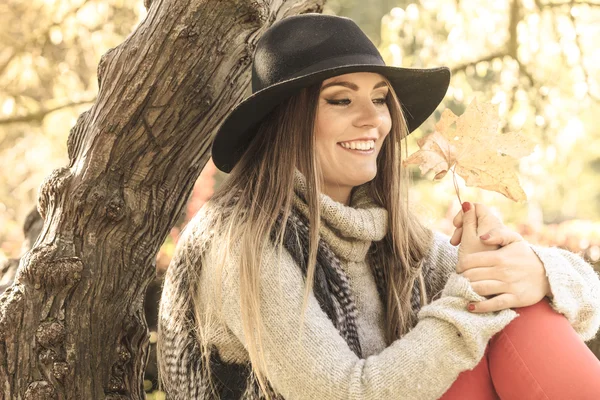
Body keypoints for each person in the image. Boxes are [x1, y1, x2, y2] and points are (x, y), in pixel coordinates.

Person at [157, 13, 600, 400]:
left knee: (521, 311)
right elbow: (344, 393)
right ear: (284, 121)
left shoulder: (384, 231)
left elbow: (584, 302)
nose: (374, 119)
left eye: (381, 97)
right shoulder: (240, 240)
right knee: (499, 310)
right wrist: (475, 295)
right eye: (341, 99)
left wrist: (529, 271)